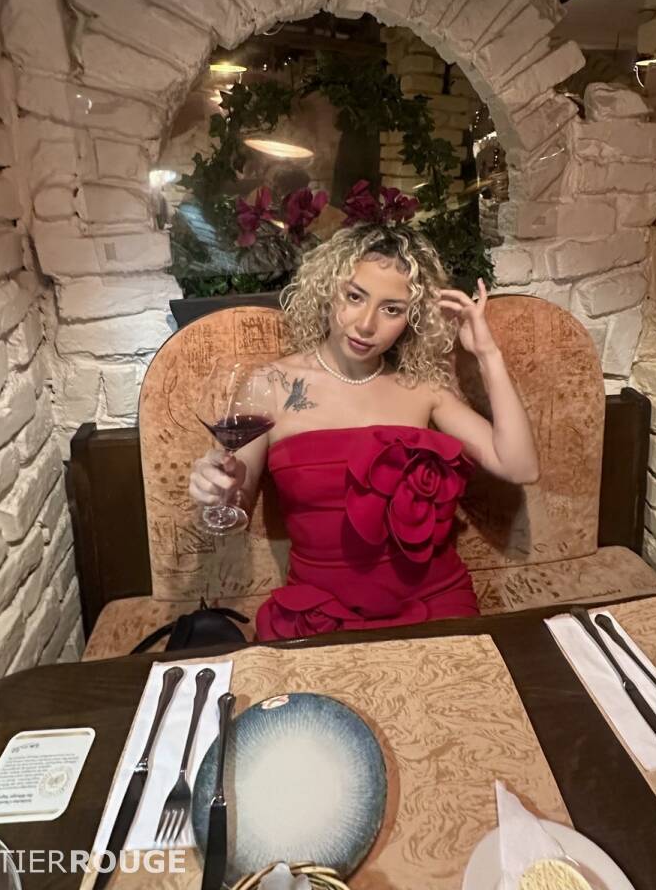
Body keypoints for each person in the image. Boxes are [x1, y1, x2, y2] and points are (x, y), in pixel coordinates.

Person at [187, 222, 540, 639]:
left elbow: (519, 467)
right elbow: (234, 507)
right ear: (327, 290)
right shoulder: (270, 385)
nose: (367, 324)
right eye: (354, 296)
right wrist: (216, 489)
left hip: (436, 604)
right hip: (318, 615)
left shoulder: (421, 387)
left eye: (392, 309)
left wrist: (487, 353)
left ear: (412, 318)